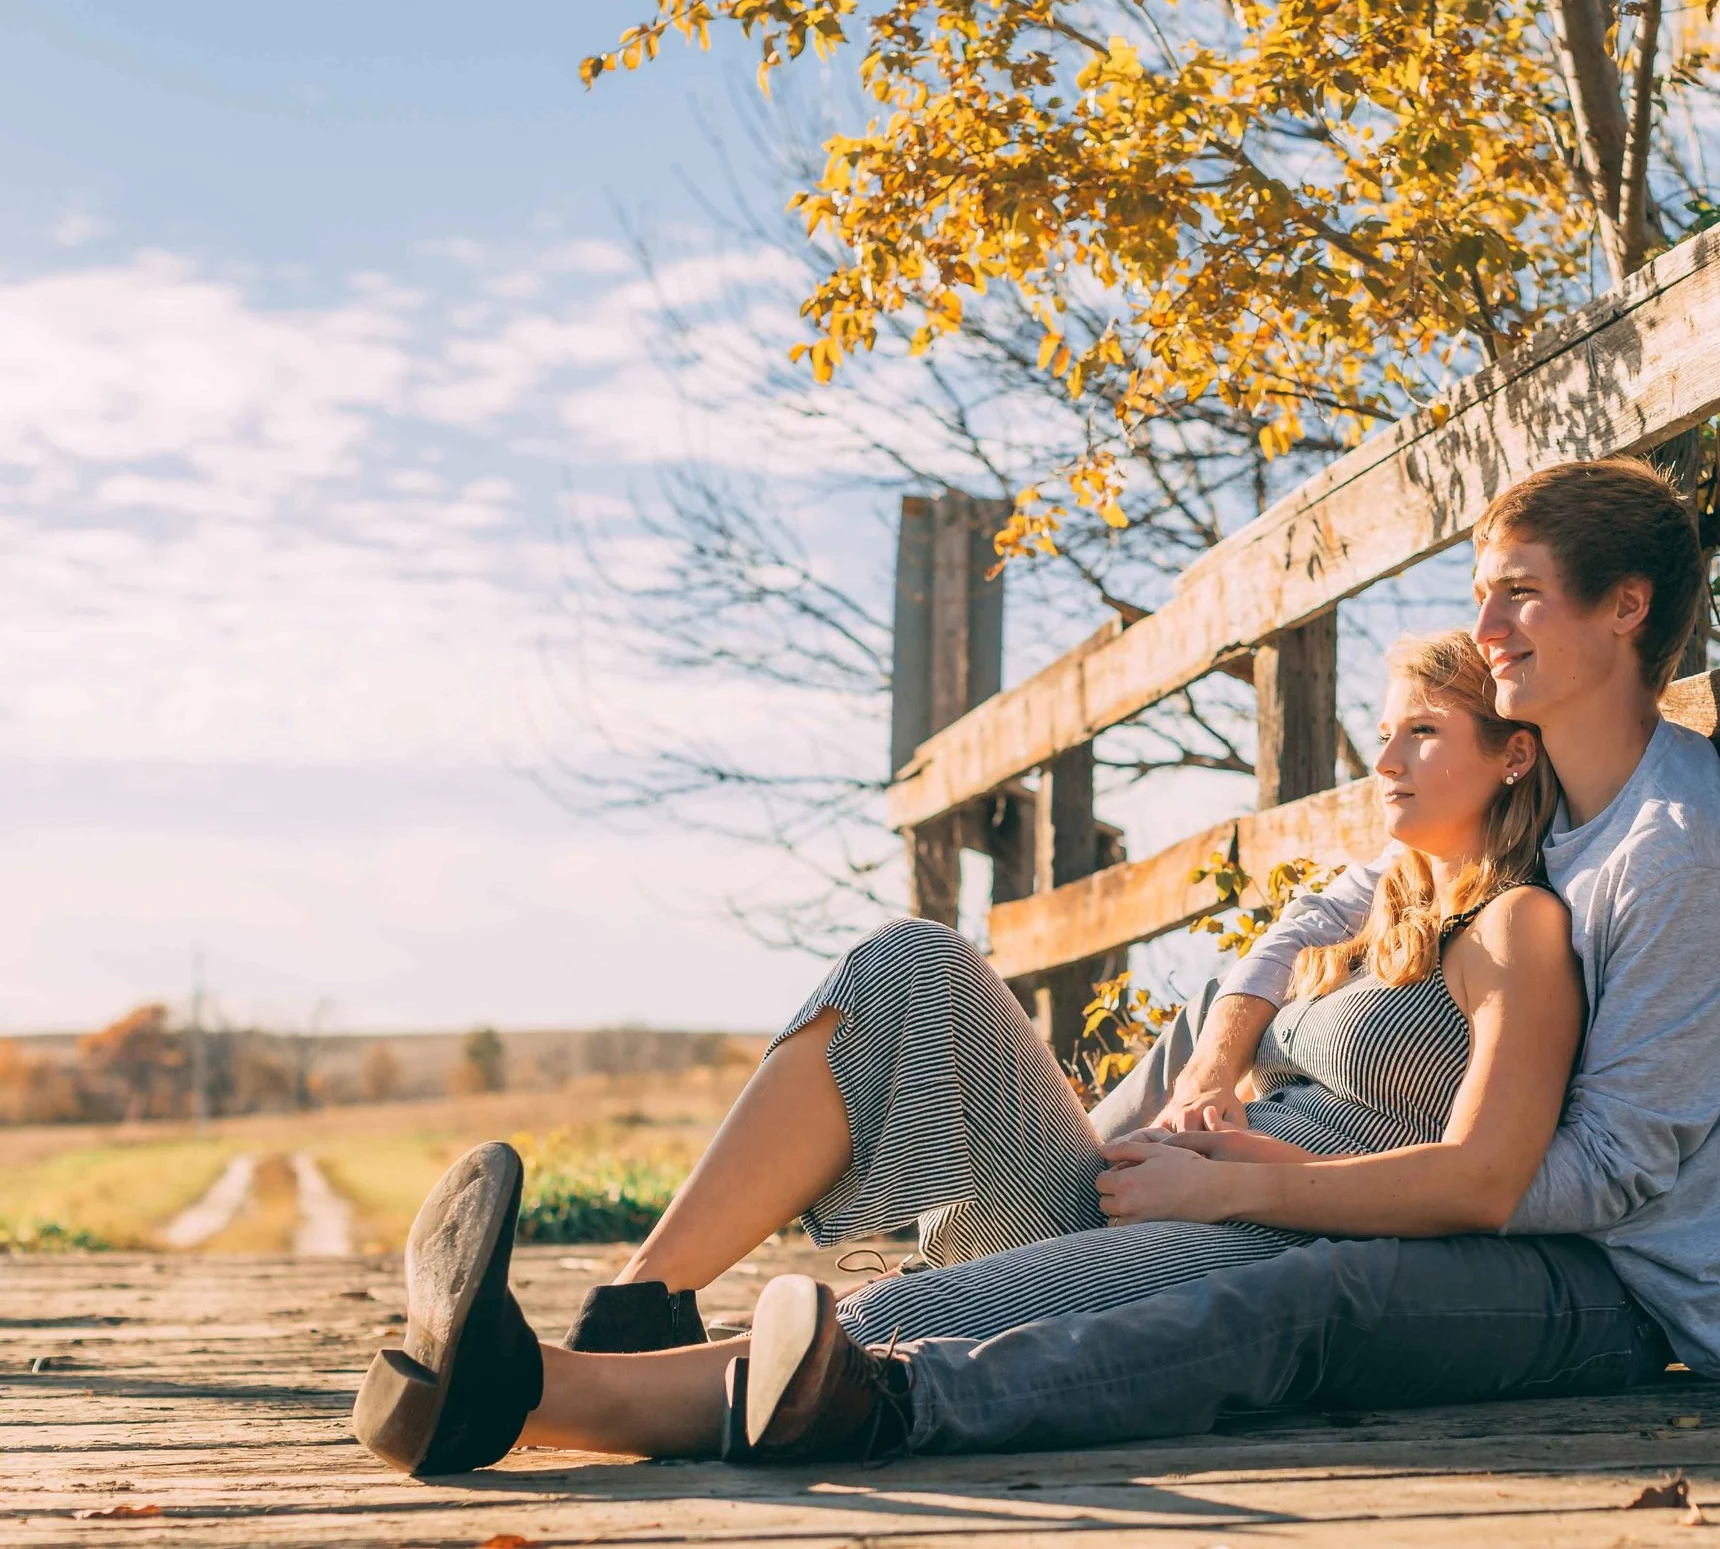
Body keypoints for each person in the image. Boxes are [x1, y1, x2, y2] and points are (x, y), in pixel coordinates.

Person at [352, 631, 1587, 1474]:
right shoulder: (1371, 911)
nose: (1384, 759)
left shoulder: (1516, 925)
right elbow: (1263, 963)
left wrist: (1244, 1177)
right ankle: (634, 1310)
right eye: (1383, 731)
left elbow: (1478, 1175)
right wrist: (1210, 1080)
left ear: (1513, 752)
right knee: (912, 962)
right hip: (1146, 1195)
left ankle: (529, 1394)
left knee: (898, 1323)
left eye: (1423, 732)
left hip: (1265, 1237)